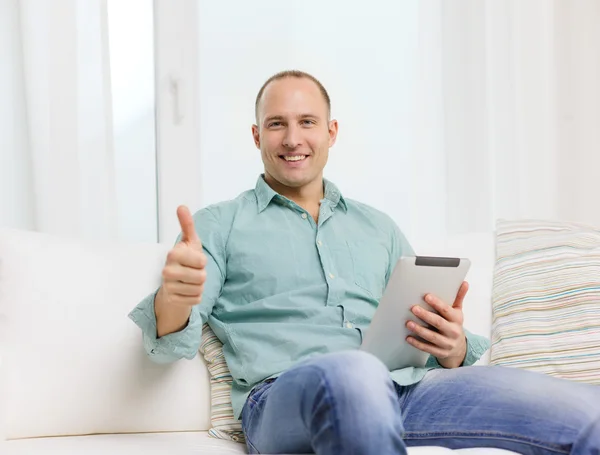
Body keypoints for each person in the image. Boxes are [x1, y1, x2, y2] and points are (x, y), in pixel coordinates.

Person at [129, 70, 600, 455]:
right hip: (282, 400)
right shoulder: (218, 224)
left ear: (332, 132)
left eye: (308, 122)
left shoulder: (379, 227)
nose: (293, 138)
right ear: (256, 136)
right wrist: (175, 296)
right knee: (355, 371)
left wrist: (452, 347)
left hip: (406, 391)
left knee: (582, 407)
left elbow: (426, 334)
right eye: (276, 124)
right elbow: (170, 343)